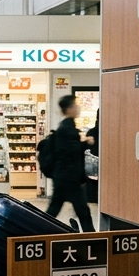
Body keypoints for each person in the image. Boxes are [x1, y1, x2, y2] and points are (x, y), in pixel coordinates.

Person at [46, 95, 95, 232]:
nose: (77, 108)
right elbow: (71, 151)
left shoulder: (66, 126)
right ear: (68, 109)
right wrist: (86, 143)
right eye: (75, 105)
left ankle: (38, 232)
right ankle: (93, 240)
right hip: (69, 178)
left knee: (55, 209)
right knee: (83, 211)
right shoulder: (67, 128)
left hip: (64, 176)